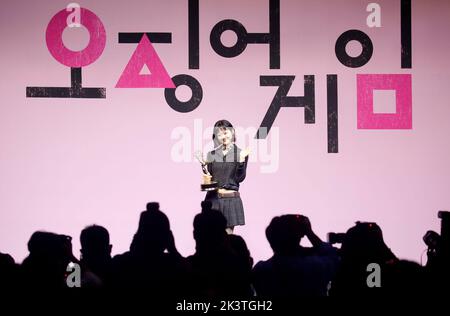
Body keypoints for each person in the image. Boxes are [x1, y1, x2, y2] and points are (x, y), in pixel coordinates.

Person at [203, 120, 250, 234]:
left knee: (227, 240)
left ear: (232, 132)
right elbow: (207, 186)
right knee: (210, 239)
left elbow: (240, 178)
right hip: (213, 200)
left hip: (230, 200)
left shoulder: (240, 153)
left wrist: (241, 161)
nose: (223, 137)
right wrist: (204, 167)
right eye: (219, 134)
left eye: (226, 132)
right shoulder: (211, 154)